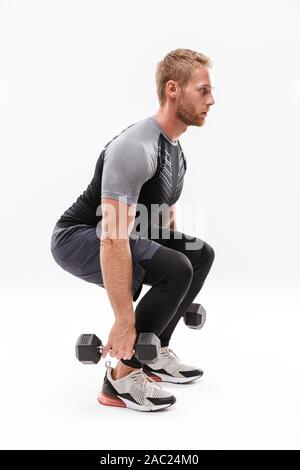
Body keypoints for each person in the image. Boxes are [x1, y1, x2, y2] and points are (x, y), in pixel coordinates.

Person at [50, 48, 215, 412]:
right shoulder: (135, 147)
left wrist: (176, 286)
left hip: (120, 232)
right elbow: (111, 237)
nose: (212, 100)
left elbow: (161, 221)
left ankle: (154, 352)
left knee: (198, 256)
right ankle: (120, 377)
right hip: (80, 236)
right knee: (176, 269)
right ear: (173, 90)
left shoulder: (175, 151)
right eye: (203, 90)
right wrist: (125, 321)